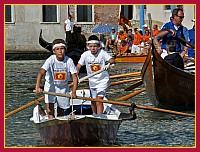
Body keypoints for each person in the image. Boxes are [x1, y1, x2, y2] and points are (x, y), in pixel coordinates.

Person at [35, 39, 78, 119]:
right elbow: (41, 73)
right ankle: (51, 121)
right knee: (50, 110)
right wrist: (37, 87)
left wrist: (74, 91)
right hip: (50, 87)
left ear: (65, 50)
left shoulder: (69, 61)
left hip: (63, 88)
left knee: (61, 110)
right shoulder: (51, 60)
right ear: (54, 51)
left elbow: (75, 77)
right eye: (57, 49)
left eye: (62, 49)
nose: (60, 51)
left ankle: (60, 124)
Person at [76, 35, 115, 115]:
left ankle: (99, 117)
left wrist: (111, 62)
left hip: (103, 80)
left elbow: (111, 60)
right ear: (88, 47)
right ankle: (94, 114)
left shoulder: (103, 53)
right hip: (92, 81)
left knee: (99, 99)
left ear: (98, 46)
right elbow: (78, 66)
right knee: (93, 100)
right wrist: (75, 75)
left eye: (95, 46)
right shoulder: (85, 55)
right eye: (91, 46)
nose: (93, 48)